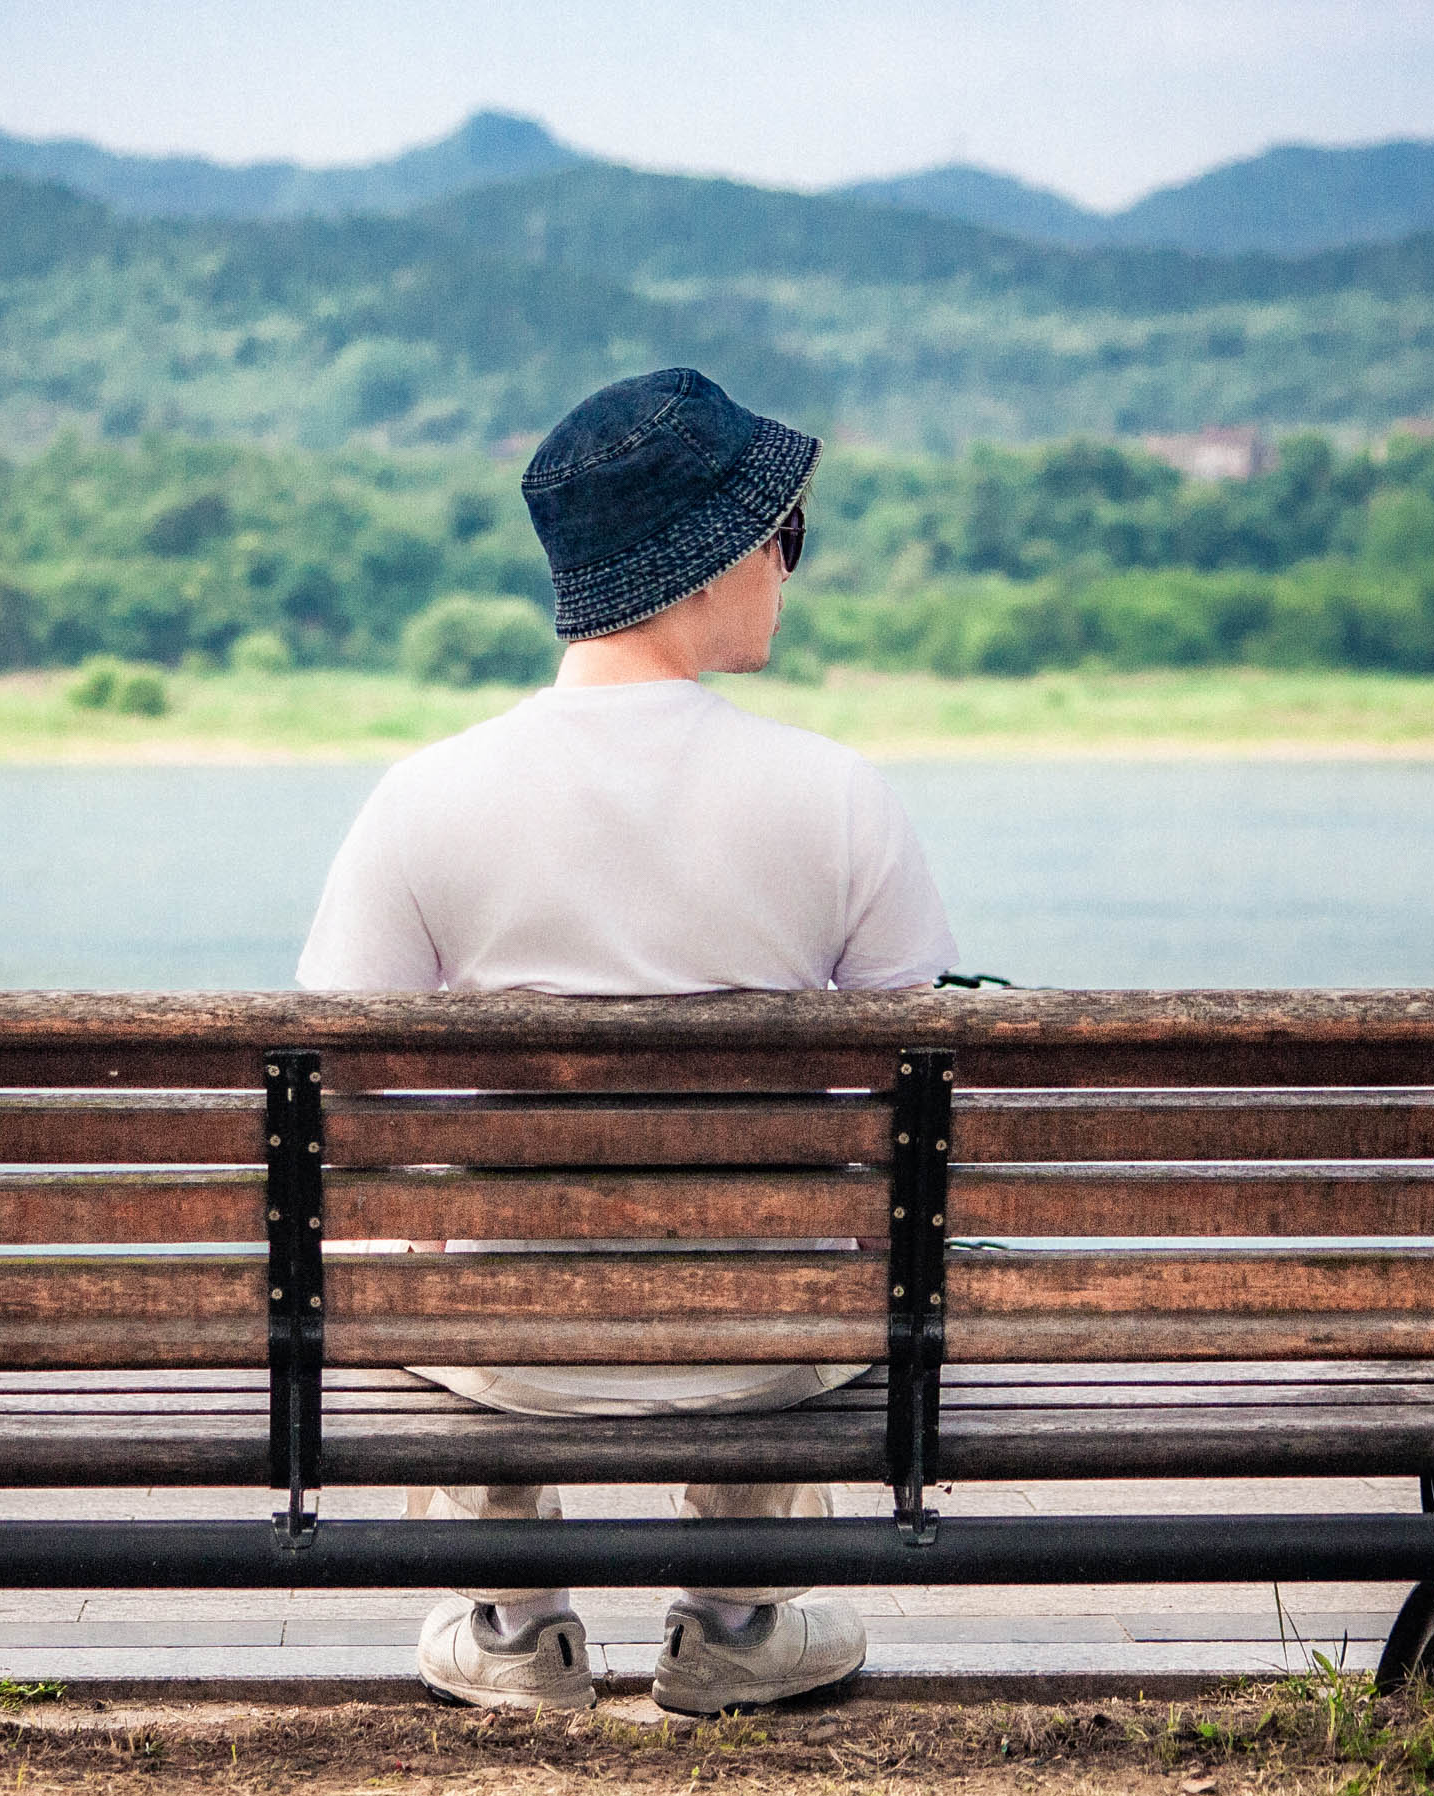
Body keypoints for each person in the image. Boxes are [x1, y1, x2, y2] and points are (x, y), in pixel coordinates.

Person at [297, 367, 958, 1715]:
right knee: (834, 1211)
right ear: (708, 556)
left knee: (408, 1223)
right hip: (772, 1342)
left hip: (507, 1347)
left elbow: (332, 1090)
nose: (788, 568)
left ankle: (515, 1623)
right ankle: (736, 1621)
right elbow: (926, 1097)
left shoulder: (422, 800)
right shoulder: (840, 798)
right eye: (783, 534)